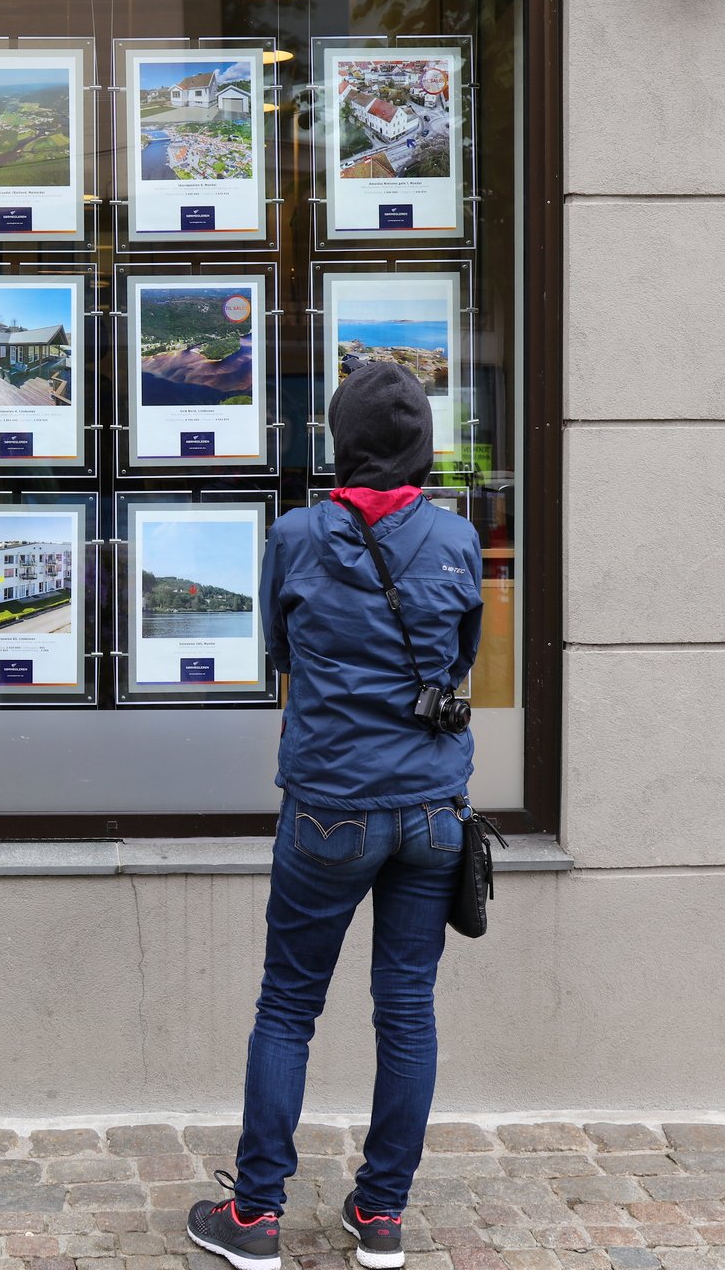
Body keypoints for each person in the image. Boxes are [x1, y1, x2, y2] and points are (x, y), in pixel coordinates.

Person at [186, 360, 484, 1270]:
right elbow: (460, 657)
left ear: (338, 440)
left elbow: (280, 650)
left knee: (287, 1008)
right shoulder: (458, 539)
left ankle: (257, 1217)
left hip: (331, 808)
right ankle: (381, 1215)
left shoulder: (296, 538)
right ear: (423, 447)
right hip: (431, 809)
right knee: (408, 1012)